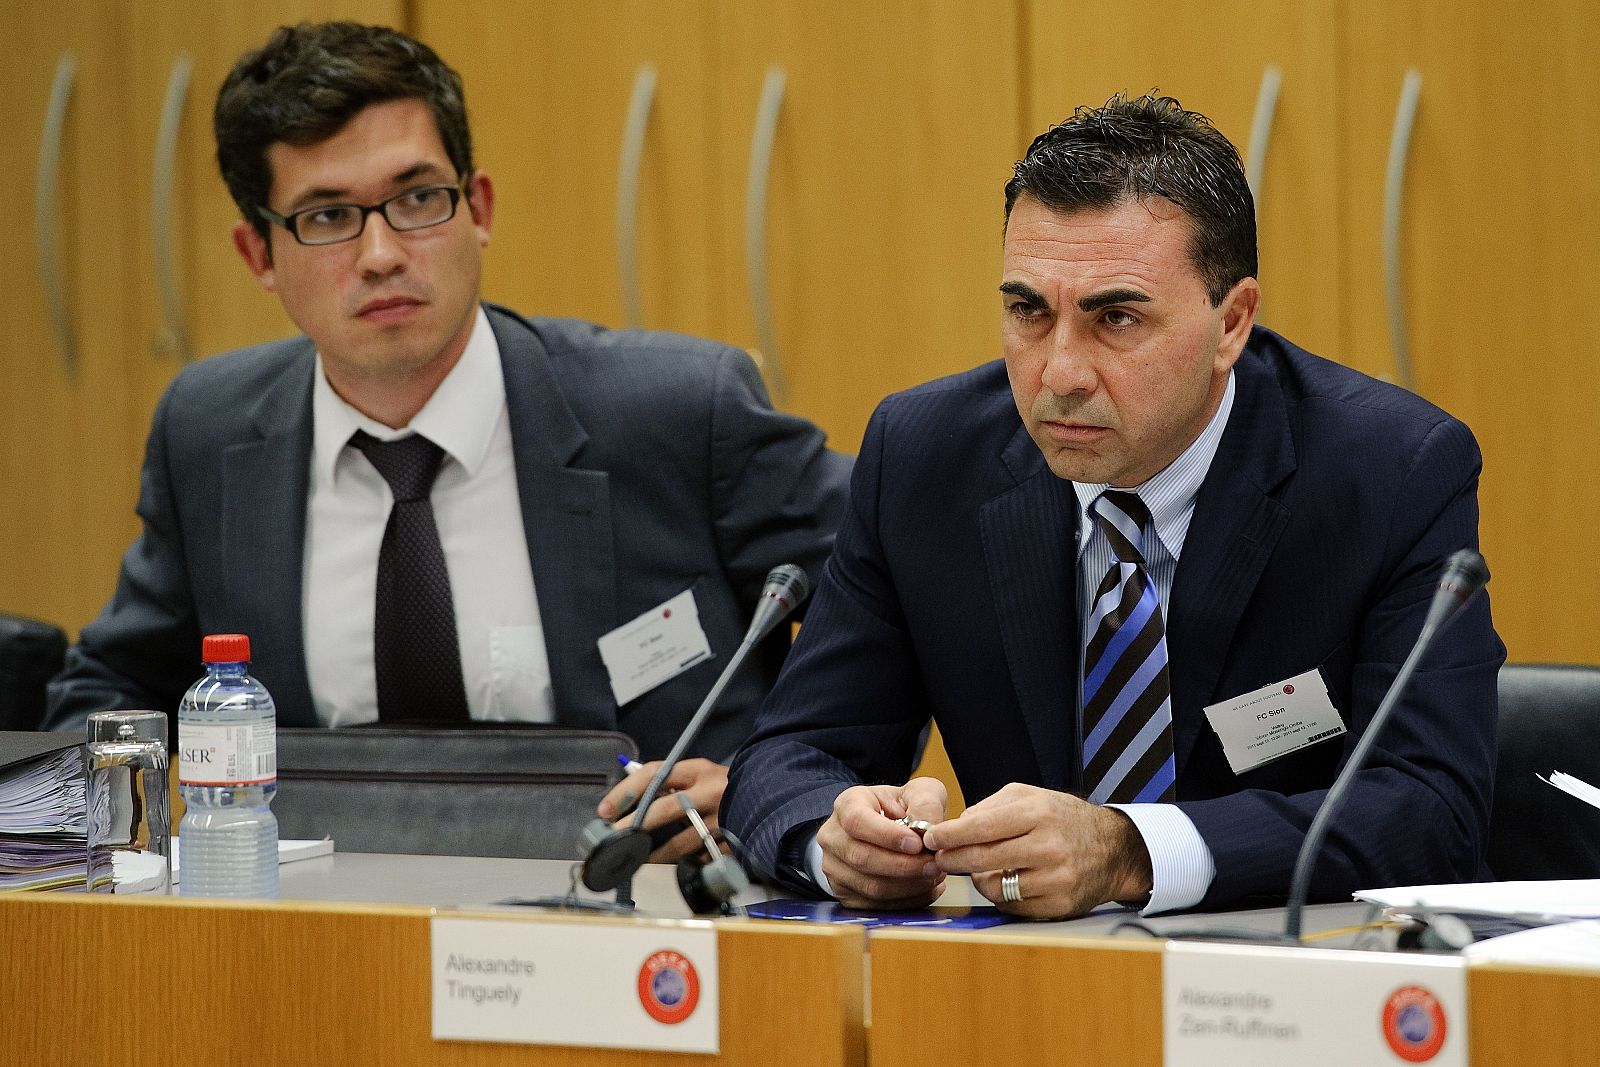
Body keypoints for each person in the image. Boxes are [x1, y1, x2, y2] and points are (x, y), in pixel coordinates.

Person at [44, 22, 851, 861]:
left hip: (650, 922)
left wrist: (773, 790)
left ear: (481, 209)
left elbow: (882, 600)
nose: (383, 254)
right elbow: (109, 691)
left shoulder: (680, 410)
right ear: (259, 255)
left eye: (418, 198)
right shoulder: (209, 436)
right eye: (327, 216)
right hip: (326, 936)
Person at [721, 94, 1504, 918]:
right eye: (1029, 310)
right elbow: (789, 754)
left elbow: (1432, 809)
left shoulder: (1389, 471)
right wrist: (833, 837)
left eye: (1116, 318)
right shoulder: (925, 458)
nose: (1060, 372)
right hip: (1020, 987)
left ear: (1231, 321)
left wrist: (1132, 850)